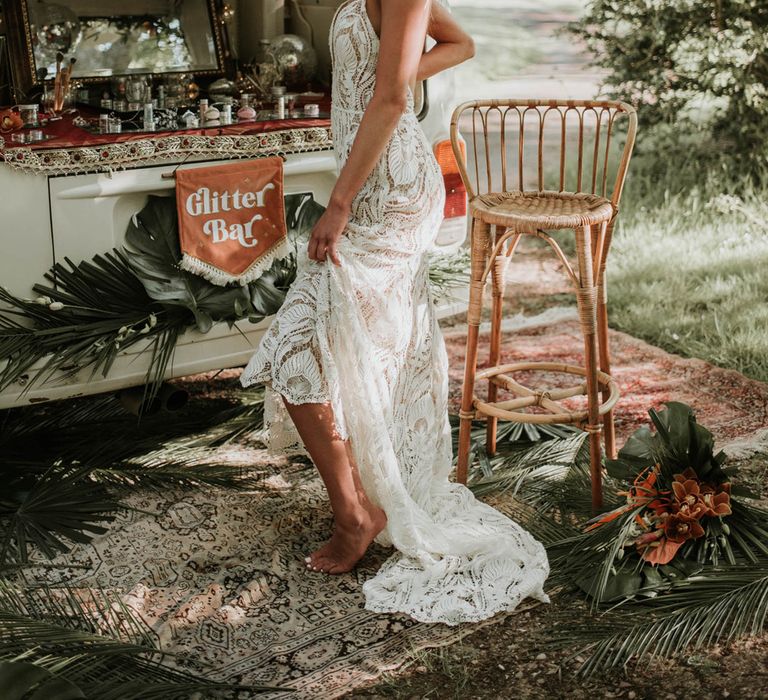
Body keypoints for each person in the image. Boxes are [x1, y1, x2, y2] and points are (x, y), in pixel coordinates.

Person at [240, 0, 551, 625]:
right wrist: (402, 69)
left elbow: (388, 103)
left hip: (389, 191)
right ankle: (361, 502)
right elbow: (458, 43)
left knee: (299, 342)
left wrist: (339, 202)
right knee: (343, 339)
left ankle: (355, 517)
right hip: (373, 175)